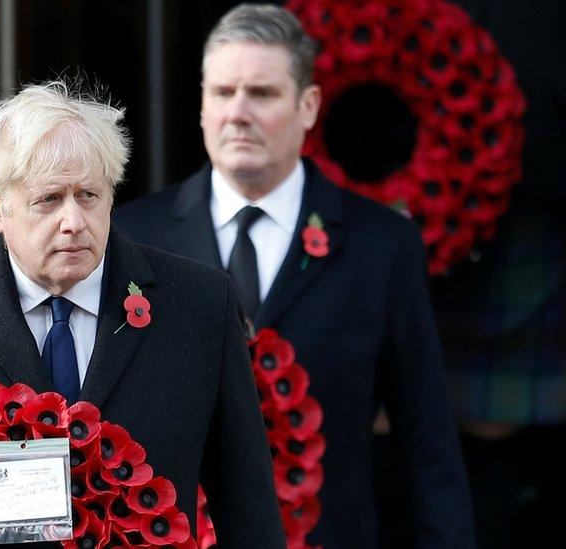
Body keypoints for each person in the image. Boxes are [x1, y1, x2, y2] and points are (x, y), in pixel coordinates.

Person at [0, 81, 286, 548]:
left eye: (89, 196)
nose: (74, 221)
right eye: (49, 200)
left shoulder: (198, 304)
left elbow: (248, 507)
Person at [113, 5, 474, 548]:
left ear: (308, 107)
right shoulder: (132, 237)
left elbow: (426, 439)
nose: (237, 113)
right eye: (221, 92)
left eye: (261, 94)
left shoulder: (381, 246)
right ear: (202, 105)